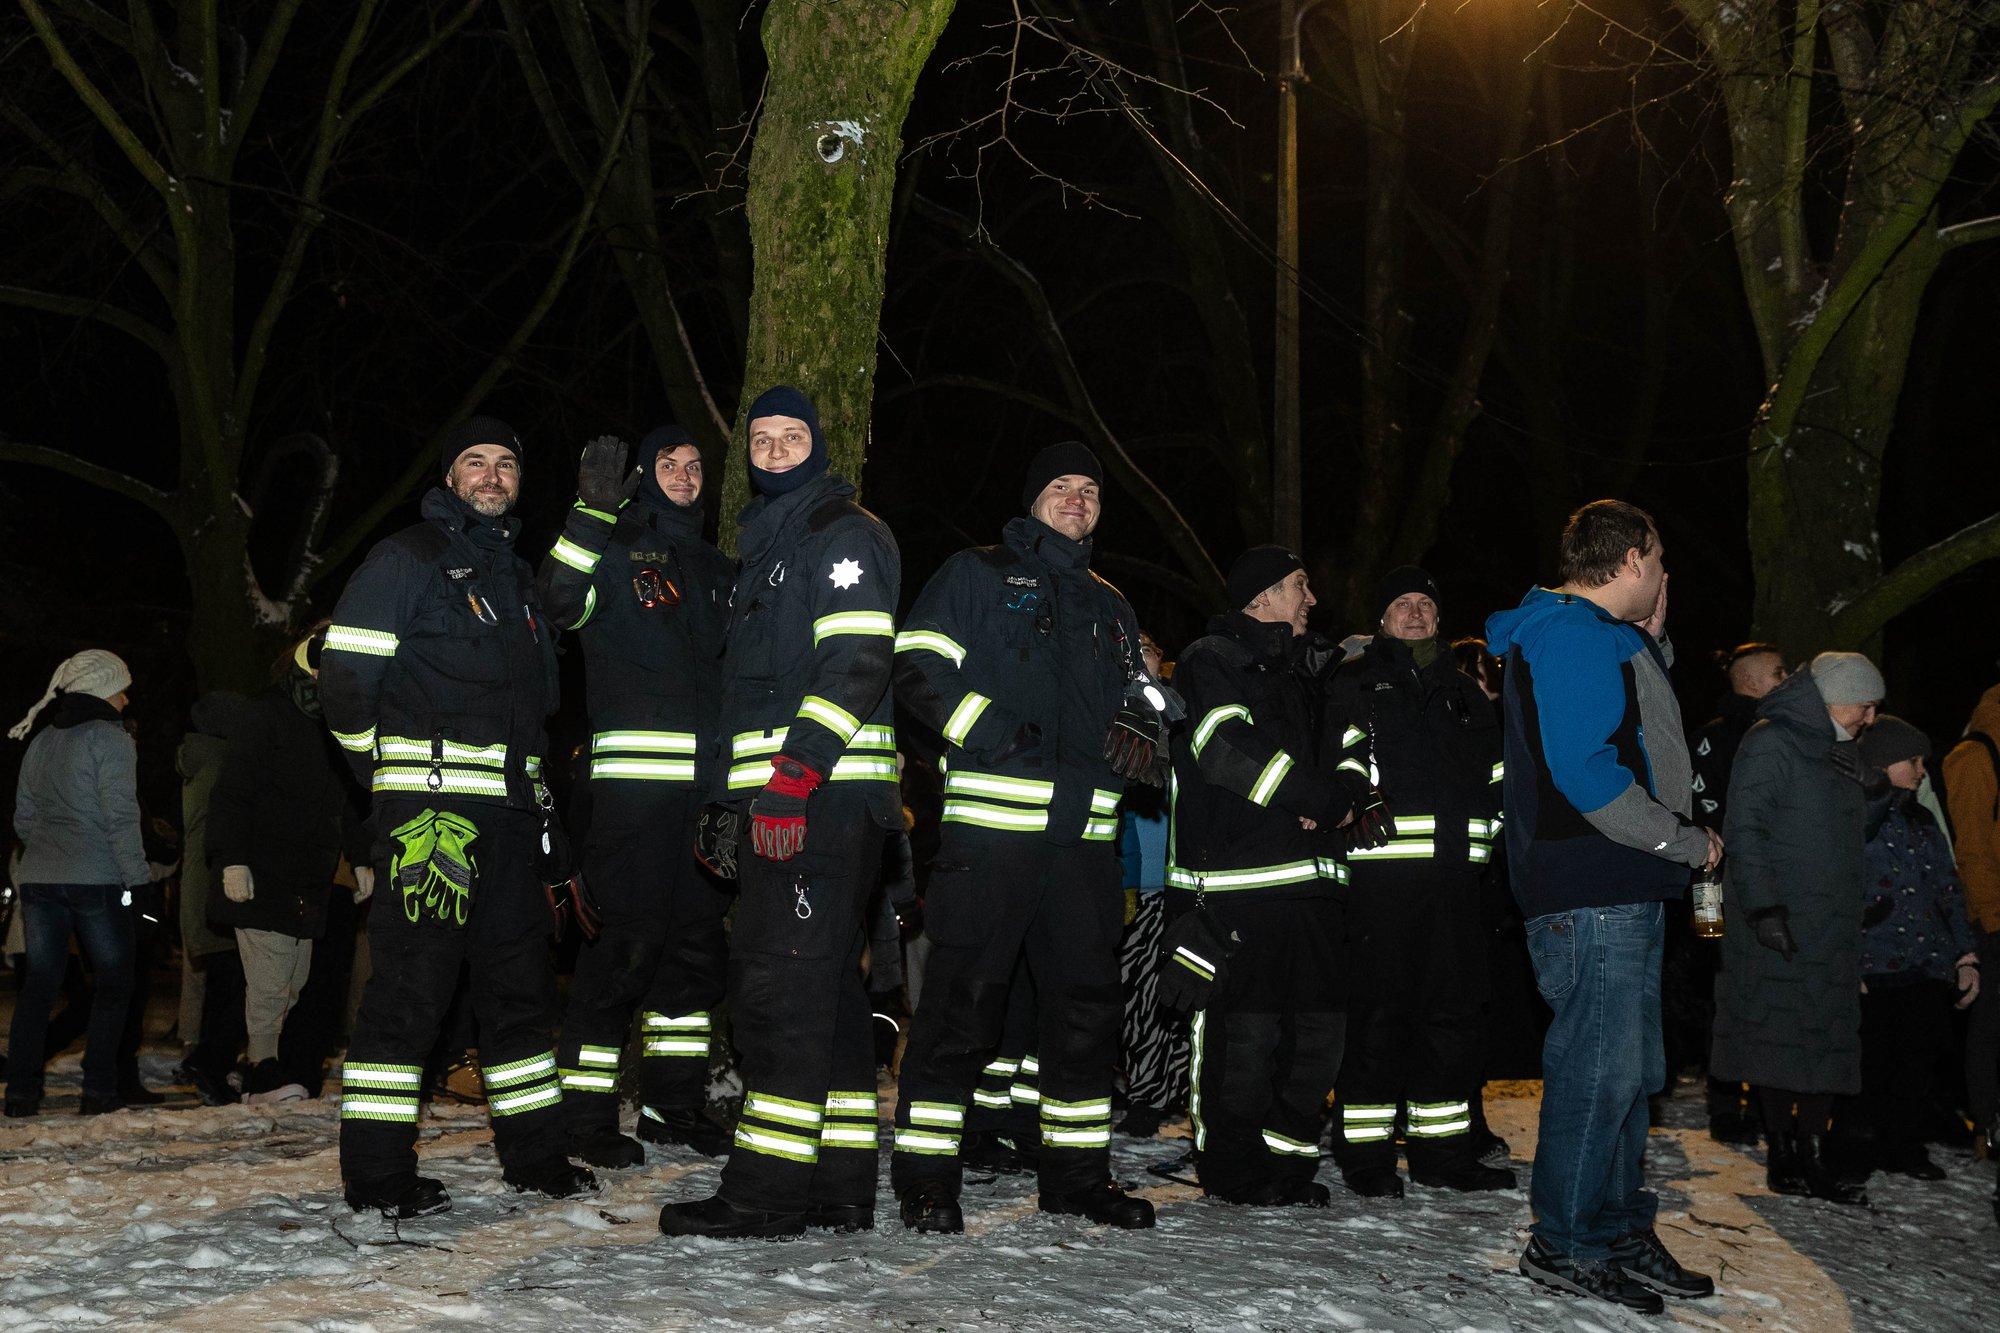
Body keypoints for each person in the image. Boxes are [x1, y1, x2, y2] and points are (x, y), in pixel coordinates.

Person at [887, 441, 1170, 1234]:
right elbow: (914, 664)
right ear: (1031, 499)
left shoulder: (1112, 603)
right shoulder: (977, 573)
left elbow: (1143, 694)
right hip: (992, 838)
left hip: (1085, 847)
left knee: (1085, 1019)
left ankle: (1076, 1178)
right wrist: (994, 732)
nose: (1076, 499)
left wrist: (1149, 727)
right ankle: (927, 1181)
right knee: (959, 1010)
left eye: (1089, 489)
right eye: (1060, 486)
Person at [322, 415, 593, 1218]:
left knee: (519, 996)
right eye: (474, 461)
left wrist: (548, 829)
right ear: (448, 477)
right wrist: (390, 779)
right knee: (411, 996)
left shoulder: (517, 583)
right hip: (430, 824)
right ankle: (376, 1176)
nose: (491, 474)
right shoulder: (406, 559)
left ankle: (535, 1157)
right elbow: (343, 680)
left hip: (509, 824)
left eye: (505, 462)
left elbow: (534, 724)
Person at [657, 385, 901, 1239]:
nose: (773, 449)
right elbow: (744, 697)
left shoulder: (843, 535)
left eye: (791, 435)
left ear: (819, 445)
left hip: (818, 804)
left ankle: (764, 1193)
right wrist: (727, 800)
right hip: (782, 805)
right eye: (759, 439)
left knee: (778, 997)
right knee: (827, 999)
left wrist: (793, 778)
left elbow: (858, 664)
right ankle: (839, 1187)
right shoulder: (768, 549)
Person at [1485, 499, 1718, 1315]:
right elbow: (1587, 774)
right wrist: (1687, 841)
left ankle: (1614, 1228)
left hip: (1619, 883)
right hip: (1593, 884)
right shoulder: (1574, 634)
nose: (1661, 575)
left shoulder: (1604, 637)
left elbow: (1645, 726)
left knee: (1630, 1073)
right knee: (1597, 1071)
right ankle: (1566, 1241)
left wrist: (1652, 631)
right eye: (1656, 561)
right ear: (1627, 560)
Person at [537, 425, 735, 1166]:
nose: (684, 475)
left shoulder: (718, 567)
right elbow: (554, 601)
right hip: (631, 803)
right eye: (668, 464)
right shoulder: (614, 552)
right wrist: (589, 515)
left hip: (708, 804)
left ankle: (671, 1107)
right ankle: (586, 1118)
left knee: (693, 958)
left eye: (693, 466)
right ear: (645, 477)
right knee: (618, 953)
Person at [1167, 546, 1372, 1206]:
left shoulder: (1312, 672)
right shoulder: (1212, 657)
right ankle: (1232, 1171)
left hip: (1315, 889)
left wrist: (1339, 795)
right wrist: (1314, 798)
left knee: (1317, 1036)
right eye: (1300, 585)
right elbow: (1224, 746)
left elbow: (1352, 748)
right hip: (1239, 890)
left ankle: (1287, 1166)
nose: (1312, 598)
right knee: (1243, 1038)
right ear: (1261, 595)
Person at [1323, 566, 1513, 1196]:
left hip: (1457, 885)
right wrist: (1355, 795)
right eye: (1400, 603)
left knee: (1452, 1021)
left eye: (1424, 604)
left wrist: (1492, 834)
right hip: (1382, 883)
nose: (1414, 613)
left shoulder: (1464, 692)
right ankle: (1367, 1157)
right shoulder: (1354, 683)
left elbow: (1497, 775)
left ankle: (1443, 1155)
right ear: (1381, 618)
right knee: (1380, 1019)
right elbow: (1342, 758)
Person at [1709, 651, 1888, 1207]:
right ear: (1836, 698)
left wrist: (1877, 789)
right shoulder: (1772, 741)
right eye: (1866, 706)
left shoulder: (1839, 749)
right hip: (1782, 920)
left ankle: (1810, 1154)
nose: (1870, 718)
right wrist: (1762, 908)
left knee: (1827, 1039)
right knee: (1778, 1034)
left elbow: (1855, 832)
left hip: (1830, 922)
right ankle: (1785, 1156)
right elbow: (1746, 827)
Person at [207, 629, 373, 1103]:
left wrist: (360, 858)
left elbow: (345, 799)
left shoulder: (335, 724)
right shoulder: (266, 714)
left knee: (294, 984)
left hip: (308, 878)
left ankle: (257, 1064)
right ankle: (262, 1071)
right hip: (262, 871)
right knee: (269, 983)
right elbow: (233, 791)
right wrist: (232, 860)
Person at [5, 650, 152, 1117]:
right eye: (121, 688)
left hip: (41, 878)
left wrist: (51, 851)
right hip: (97, 879)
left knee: (40, 986)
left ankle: (21, 1092)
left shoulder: (43, 740)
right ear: (101, 690)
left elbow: (23, 818)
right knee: (114, 983)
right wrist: (139, 879)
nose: (126, 699)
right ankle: (100, 1090)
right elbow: (122, 817)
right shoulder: (111, 740)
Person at [1854, 715, 1980, 1179]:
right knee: (1874, 1061)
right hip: (1876, 963)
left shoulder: (1921, 818)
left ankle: (1905, 1146)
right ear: (1883, 762)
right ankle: (1862, 1143)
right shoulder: (1856, 818)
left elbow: (1948, 888)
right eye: (1912, 760)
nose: (1922, 769)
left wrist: (1964, 954)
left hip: (1925, 962)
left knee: (1917, 1061)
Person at [1678, 642, 1790, 1143]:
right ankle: (1725, 1103)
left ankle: (1767, 1100)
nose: (1787, 680)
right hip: (1714, 887)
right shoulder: (1715, 740)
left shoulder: (1787, 738)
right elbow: (1702, 815)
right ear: (1748, 682)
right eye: (1778, 672)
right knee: (1717, 985)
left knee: (1763, 988)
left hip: (1771, 887)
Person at [1116, 631, 1182, 1139]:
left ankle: (1158, 1091)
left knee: (1164, 993)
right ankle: (1138, 1090)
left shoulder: (1179, 719)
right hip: (1127, 879)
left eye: (1151, 647)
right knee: (1131, 993)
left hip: (1172, 881)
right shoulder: (1110, 708)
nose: (1144, 655)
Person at [1945, 684, 2000, 1212]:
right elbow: (1973, 847)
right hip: (1992, 918)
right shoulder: (1977, 753)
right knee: (1990, 1026)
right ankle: (1986, 1126)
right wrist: (1993, 918)